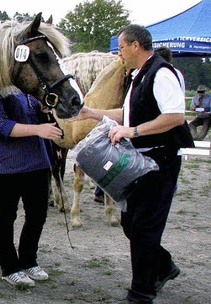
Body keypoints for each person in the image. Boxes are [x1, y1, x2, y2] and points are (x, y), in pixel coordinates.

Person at [70, 24, 194, 304]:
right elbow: (128, 113)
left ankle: (141, 294)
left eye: (121, 48)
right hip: (142, 162)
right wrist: (92, 113)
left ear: (136, 45)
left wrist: (133, 132)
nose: (119, 55)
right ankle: (164, 266)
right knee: (131, 224)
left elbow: (174, 117)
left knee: (144, 229)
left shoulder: (162, 74)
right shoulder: (139, 76)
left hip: (160, 162)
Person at [0, 91, 63, 287]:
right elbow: (2, 126)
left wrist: (45, 111)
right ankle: (9, 268)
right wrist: (38, 129)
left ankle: (28, 260)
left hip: (37, 161)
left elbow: (41, 118)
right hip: (6, 163)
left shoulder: (31, 88)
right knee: (6, 216)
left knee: (38, 214)